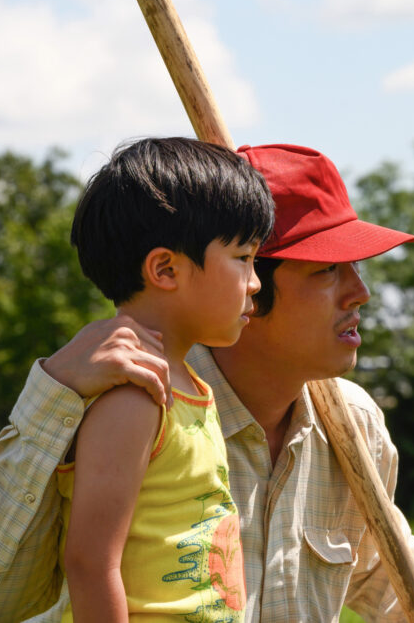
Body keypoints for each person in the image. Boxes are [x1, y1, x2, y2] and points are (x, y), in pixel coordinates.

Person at [0, 143, 414, 623]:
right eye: (326, 270)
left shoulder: (351, 422)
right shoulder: (131, 397)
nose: (361, 293)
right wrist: (52, 396)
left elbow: (379, 557)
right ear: (250, 285)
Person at [59, 137, 273, 621]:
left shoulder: (194, 388)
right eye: (243, 258)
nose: (256, 281)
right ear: (165, 269)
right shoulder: (134, 399)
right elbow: (91, 563)